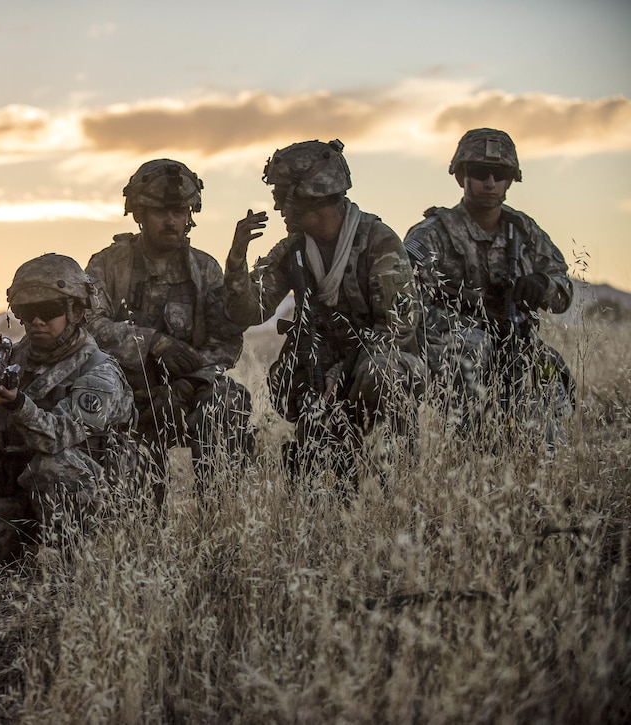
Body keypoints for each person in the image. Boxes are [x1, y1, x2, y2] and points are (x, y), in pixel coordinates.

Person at [226, 139, 425, 483]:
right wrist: (236, 257)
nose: (279, 210)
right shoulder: (294, 249)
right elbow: (249, 312)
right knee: (292, 381)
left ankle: (400, 476)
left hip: (381, 360)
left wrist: (341, 370)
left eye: (284, 198)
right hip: (321, 367)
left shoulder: (378, 241)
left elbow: (398, 328)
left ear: (311, 197)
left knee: (380, 374)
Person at [0, 254, 135, 580]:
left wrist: (16, 405)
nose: (37, 322)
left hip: (90, 497)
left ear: (77, 311)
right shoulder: (9, 360)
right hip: (16, 493)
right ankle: (22, 555)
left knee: (50, 466)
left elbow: (56, 435)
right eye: (27, 313)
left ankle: (78, 564)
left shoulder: (99, 372)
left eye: (50, 311)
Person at [85, 159, 252, 492]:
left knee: (228, 400)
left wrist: (189, 383)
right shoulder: (108, 264)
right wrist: (153, 342)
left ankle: (223, 518)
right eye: (161, 212)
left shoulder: (203, 268)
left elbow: (227, 341)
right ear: (140, 215)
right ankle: (140, 529)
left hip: (190, 390)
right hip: (129, 394)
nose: (171, 221)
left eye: (179, 212)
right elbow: (89, 327)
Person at [403, 128, 574, 449]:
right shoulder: (430, 234)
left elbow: (563, 291)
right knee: (471, 354)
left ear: (512, 179)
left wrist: (543, 285)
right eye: (481, 173)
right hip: (448, 350)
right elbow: (403, 302)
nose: (490, 182)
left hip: (515, 341)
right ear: (461, 176)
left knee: (553, 389)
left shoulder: (524, 231)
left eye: (500, 174)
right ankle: (472, 455)